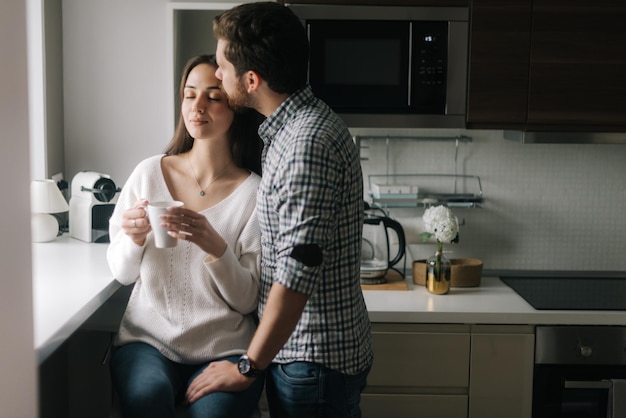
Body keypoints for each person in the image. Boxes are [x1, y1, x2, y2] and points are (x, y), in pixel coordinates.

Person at [185, 3, 374, 417]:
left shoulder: (304, 146)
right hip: (306, 357)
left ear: (251, 80)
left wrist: (247, 367)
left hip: (313, 361)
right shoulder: (292, 129)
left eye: (221, 67)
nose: (216, 75)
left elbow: (296, 277)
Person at [106, 54, 265, 418]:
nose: (197, 106)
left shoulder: (254, 193)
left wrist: (216, 247)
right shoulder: (149, 173)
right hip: (147, 341)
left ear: (236, 107)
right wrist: (132, 238)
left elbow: (246, 300)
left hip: (224, 348)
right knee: (147, 398)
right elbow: (121, 273)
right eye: (189, 94)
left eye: (213, 96)